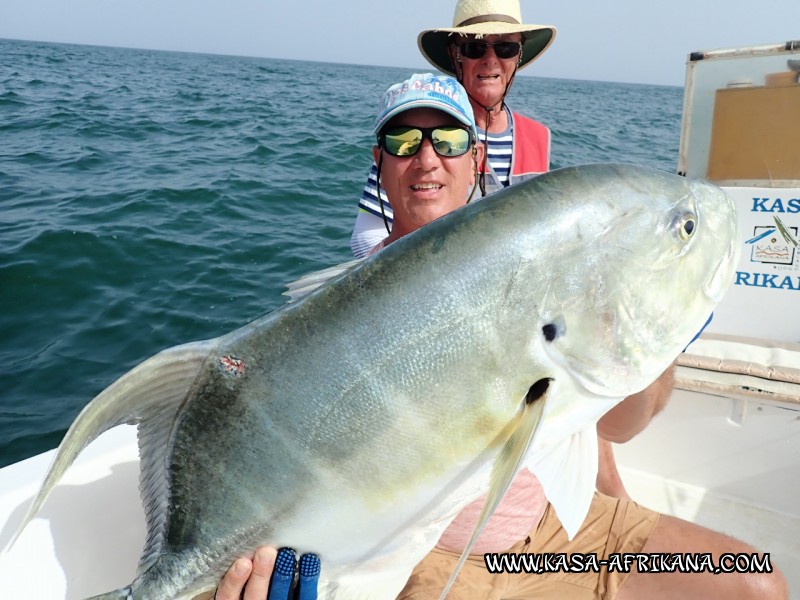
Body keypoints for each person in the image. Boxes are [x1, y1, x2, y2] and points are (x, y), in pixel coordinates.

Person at [214, 73, 788, 599]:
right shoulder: (344, 319)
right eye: (405, 143)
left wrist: (658, 339)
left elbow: (617, 424)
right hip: (445, 564)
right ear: (380, 163)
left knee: (754, 583)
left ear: (477, 158)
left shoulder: (548, 264)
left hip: (566, 538)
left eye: (449, 141)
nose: (428, 159)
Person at [350, 0, 556, 258]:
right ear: (454, 53)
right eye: (474, 48)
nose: (490, 61)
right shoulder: (407, 130)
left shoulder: (539, 136)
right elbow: (365, 235)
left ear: (518, 55)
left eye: (505, 48)